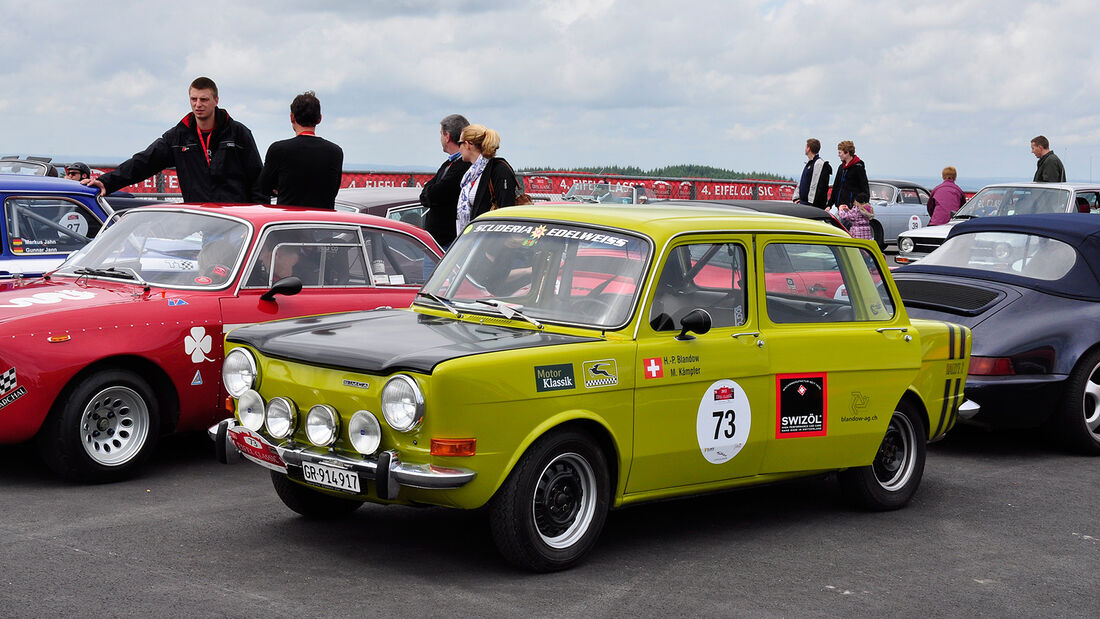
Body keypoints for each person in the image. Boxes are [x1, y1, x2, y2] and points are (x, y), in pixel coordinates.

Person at [84, 76, 263, 203]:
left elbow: (257, 178)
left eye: (204, 99)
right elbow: (143, 162)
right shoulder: (178, 136)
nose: (198, 104)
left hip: (239, 219)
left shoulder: (238, 133)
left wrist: (258, 218)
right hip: (205, 219)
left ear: (216, 100)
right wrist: (107, 181)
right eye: (193, 99)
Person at [258, 91, 343, 209]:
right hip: (323, 221)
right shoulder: (335, 152)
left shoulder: (279, 149)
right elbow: (333, 191)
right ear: (319, 119)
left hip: (289, 221)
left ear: (292, 117)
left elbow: (263, 187)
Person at [455, 124, 518, 236]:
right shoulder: (471, 174)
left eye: (459, 143)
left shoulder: (499, 170)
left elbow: (507, 211)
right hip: (474, 238)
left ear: (468, 144)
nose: (458, 148)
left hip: (492, 242)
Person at [420, 114, 472, 248]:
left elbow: (435, 193)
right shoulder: (448, 164)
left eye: (441, 134)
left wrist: (430, 191)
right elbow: (427, 193)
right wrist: (430, 191)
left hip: (447, 242)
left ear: (447, 136)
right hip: (440, 240)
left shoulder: (463, 166)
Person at [827, 140, 869, 212]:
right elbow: (836, 187)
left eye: (840, 152)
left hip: (851, 209)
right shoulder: (841, 167)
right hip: (839, 207)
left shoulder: (858, 167)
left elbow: (865, 191)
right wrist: (829, 205)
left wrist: (854, 203)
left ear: (847, 153)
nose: (838, 155)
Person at [795, 138, 831, 207]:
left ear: (809, 148)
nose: (805, 149)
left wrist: (811, 203)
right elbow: (803, 181)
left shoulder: (819, 164)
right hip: (803, 203)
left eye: (806, 147)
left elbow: (815, 185)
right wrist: (796, 197)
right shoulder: (809, 163)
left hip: (811, 205)